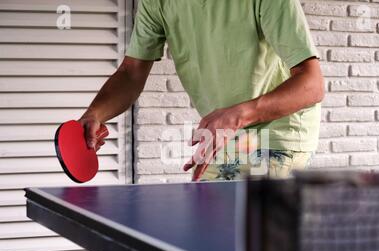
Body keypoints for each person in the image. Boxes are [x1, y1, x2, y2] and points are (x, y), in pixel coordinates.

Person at [79, 0, 324, 181]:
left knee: (246, 238)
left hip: (278, 135)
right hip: (223, 138)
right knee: (208, 232)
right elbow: (131, 72)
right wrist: (96, 113)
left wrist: (236, 115)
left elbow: (312, 85)